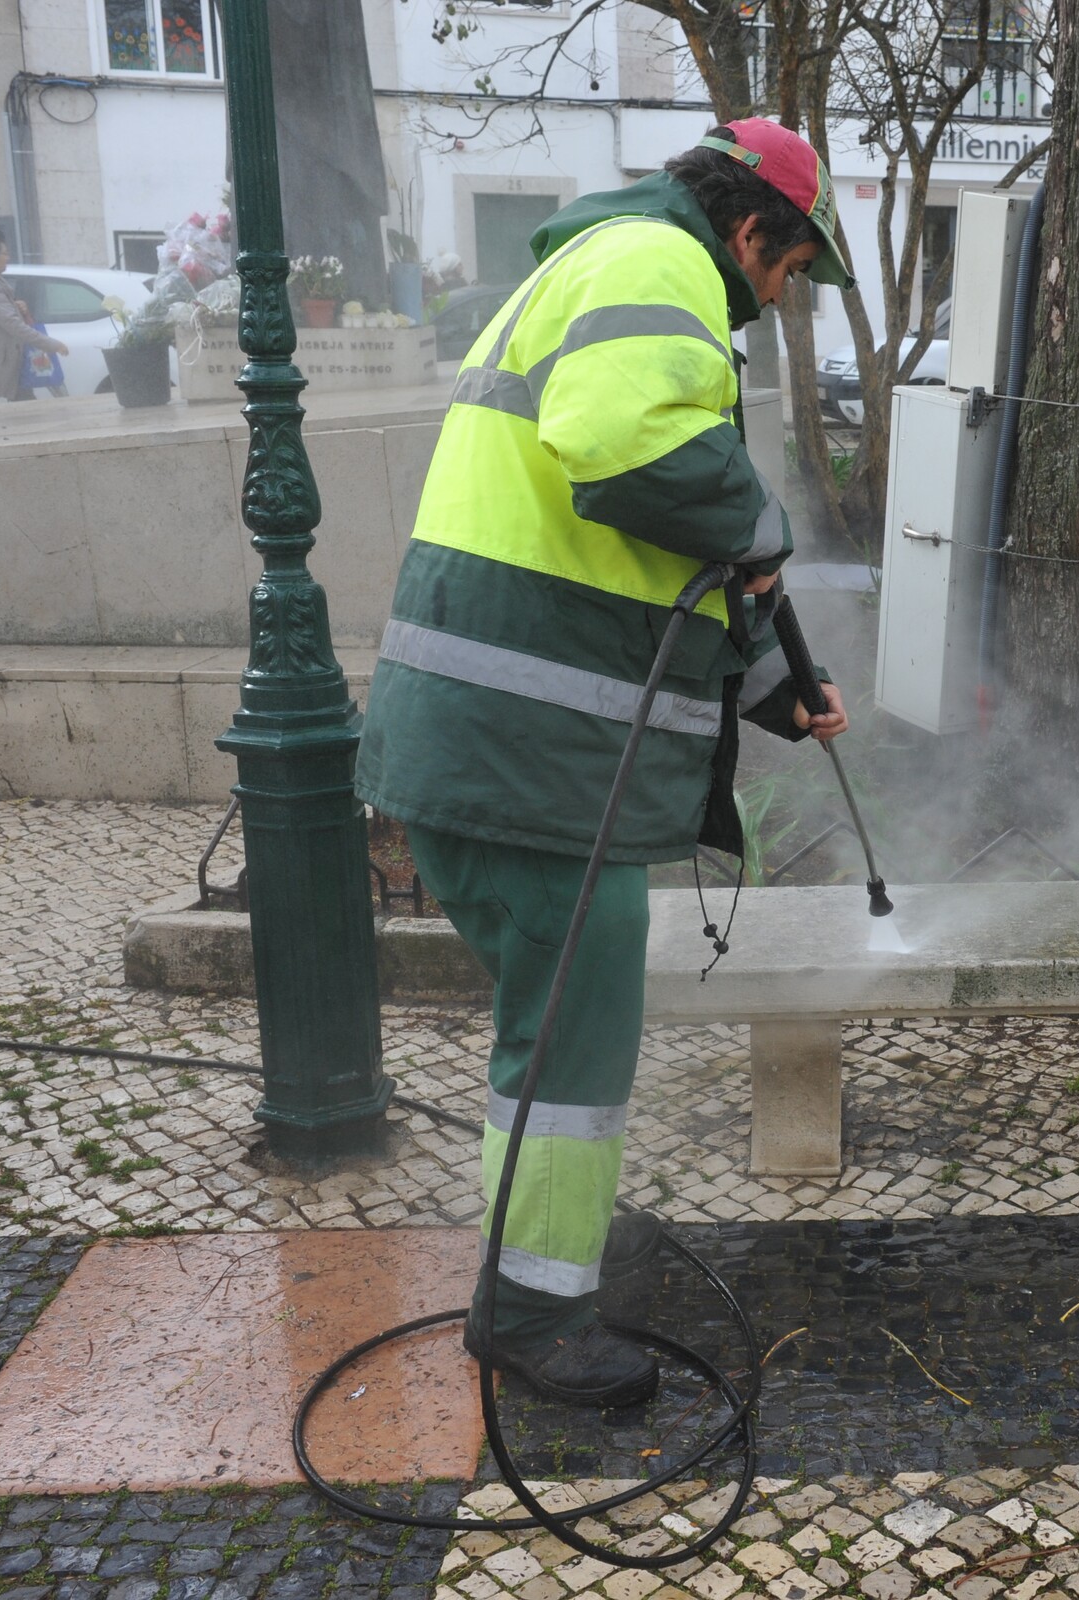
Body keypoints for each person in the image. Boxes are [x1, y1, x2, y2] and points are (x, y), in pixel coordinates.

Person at [354, 120, 854, 1407]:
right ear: (751, 231)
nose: (774, 299)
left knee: (557, 1030)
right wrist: (757, 522)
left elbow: (625, 570)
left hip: (510, 737)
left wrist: (766, 690)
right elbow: (623, 447)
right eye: (787, 272)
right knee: (566, 1047)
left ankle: (528, 1286)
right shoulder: (656, 262)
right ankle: (529, 1318)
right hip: (526, 753)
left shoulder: (608, 261)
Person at [0, 228, 68, 405]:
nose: (8, 257)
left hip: (3, 362)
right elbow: (13, 325)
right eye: (5, 253)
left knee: (21, 410)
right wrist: (52, 345)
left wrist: (16, 307)